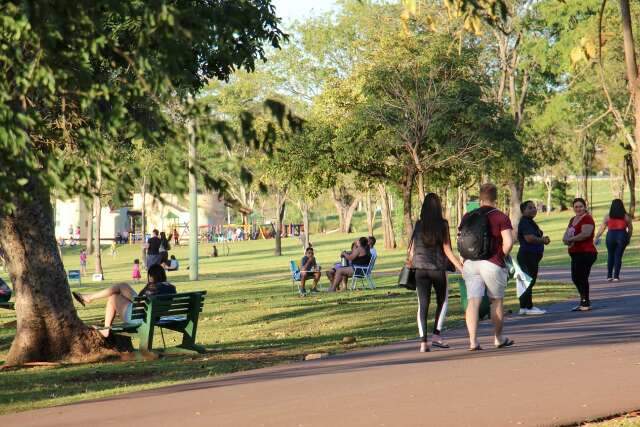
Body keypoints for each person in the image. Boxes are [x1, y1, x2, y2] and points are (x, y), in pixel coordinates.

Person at [459, 183, 514, 351]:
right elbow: (509, 242)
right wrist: (500, 256)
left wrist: (464, 259)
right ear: (495, 197)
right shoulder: (500, 216)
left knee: (473, 301)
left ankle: (473, 341)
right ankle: (498, 338)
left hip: (470, 262)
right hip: (492, 263)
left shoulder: (468, 215)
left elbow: (461, 239)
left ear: (480, 197)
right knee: (496, 301)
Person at [409, 193, 463, 353]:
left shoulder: (418, 224)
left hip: (420, 270)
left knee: (423, 305)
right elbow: (447, 249)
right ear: (439, 207)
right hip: (437, 269)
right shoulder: (443, 224)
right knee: (443, 301)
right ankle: (436, 336)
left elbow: (411, 250)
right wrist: (461, 267)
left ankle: (423, 343)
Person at [72, 264, 176, 338]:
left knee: (114, 296)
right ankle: (89, 298)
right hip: (154, 318)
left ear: (152, 276)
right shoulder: (172, 288)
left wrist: (145, 288)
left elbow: (139, 302)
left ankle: (104, 327)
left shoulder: (152, 287)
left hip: (140, 318)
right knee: (121, 288)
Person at [517, 201, 551, 315]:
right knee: (528, 281)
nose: (533, 209)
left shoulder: (530, 222)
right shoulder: (525, 222)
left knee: (528, 281)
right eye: (529, 208)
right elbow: (529, 238)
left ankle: (527, 307)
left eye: (534, 207)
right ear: (523, 211)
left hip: (531, 256)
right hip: (527, 255)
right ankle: (526, 308)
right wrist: (543, 240)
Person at [563, 197, 597, 311]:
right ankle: (584, 301)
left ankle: (585, 303)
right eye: (576, 207)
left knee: (581, 277)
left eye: (580, 206)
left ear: (585, 207)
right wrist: (565, 239)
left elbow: (585, 234)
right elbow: (567, 233)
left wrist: (571, 239)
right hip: (575, 253)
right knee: (575, 277)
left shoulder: (587, 218)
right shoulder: (573, 219)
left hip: (586, 252)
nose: (578, 209)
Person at [595, 199, 633, 281]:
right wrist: (628, 238)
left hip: (610, 236)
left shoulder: (607, 216)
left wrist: (597, 237)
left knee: (610, 255)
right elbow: (630, 229)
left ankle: (609, 276)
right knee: (618, 256)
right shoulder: (626, 217)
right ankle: (616, 276)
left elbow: (602, 228)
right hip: (622, 235)